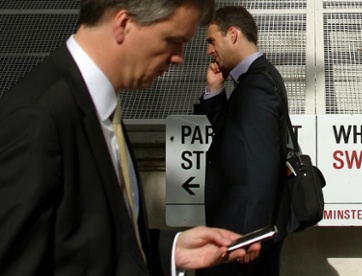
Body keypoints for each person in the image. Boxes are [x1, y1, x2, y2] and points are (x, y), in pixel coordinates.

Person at [0, 1, 261, 275]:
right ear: (123, 24)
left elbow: (90, 241)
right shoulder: (35, 119)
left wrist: (172, 250)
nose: (179, 57)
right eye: (172, 40)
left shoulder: (100, 106)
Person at [196, 6, 291, 276]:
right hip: (240, 234)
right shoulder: (256, 80)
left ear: (233, 35)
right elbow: (235, 139)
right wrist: (215, 92)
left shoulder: (256, 87)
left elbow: (260, 168)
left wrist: (251, 238)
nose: (209, 51)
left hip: (242, 241)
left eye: (212, 41)